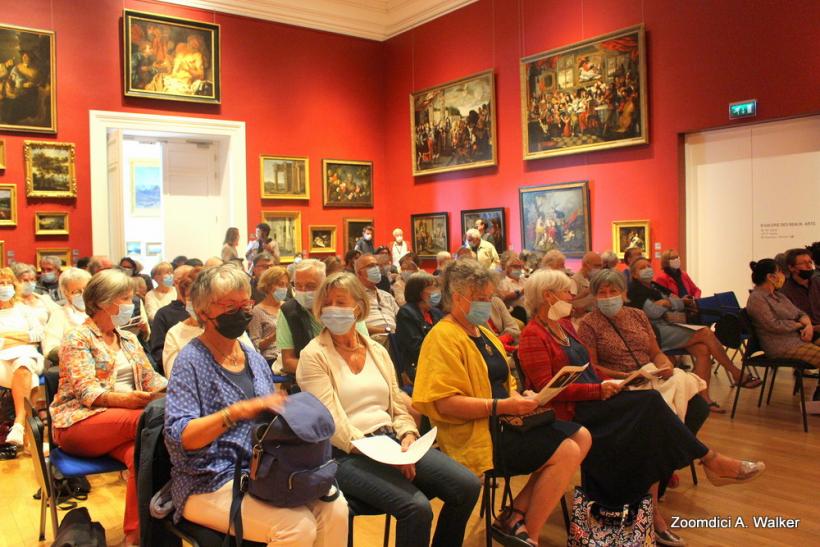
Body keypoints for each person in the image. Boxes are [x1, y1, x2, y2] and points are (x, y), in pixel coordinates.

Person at [518, 269, 767, 546]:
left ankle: (662, 507)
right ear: (548, 296)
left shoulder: (563, 326)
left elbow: (588, 369)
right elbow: (548, 390)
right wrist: (602, 387)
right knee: (650, 406)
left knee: (655, 416)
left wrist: (616, 383)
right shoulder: (533, 335)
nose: (573, 297)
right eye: (567, 292)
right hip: (576, 409)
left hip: (596, 397)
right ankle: (710, 460)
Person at [164, 265, 348, 546]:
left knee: (336, 509)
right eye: (230, 306)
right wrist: (237, 412)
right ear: (203, 313)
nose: (241, 312)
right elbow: (182, 437)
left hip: (263, 470)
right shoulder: (190, 362)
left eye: (245, 304)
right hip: (208, 480)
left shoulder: (253, 359)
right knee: (296, 528)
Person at [413, 260, 590, 546]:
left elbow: (504, 383)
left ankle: (514, 514)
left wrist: (521, 397)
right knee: (567, 451)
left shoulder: (482, 332)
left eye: (488, 298)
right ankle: (527, 533)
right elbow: (444, 404)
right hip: (476, 432)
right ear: (458, 298)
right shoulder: (443, 337)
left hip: (505, 421)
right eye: (481, 299)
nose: (487, 304)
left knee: (581, 436)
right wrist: (501, 406)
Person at [297, 271, 480, 547]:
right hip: (344, 453)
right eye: (327, 303)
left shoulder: (376, 351)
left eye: (341, 302)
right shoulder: (314, 355)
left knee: (467, 486)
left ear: (358, 307)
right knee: (416, 508)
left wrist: (407, 435)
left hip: (392, 443)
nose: (332, 309)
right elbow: (331, 422)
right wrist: (386, 454)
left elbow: (397, 403)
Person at [50, 269, 167, 545]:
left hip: (127, 422)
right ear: (103, 302)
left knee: (143, 455)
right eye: (125, 298)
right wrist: (132, 400)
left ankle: (135, 537)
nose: (131, 305)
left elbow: (154, 380)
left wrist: (180, 389)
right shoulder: (77, 338)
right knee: (149, 422)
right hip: (79, 422)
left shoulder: (128, 339)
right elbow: (87, 392)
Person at [627, 258, 759, 410]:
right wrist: (670, 304)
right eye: (642, 268)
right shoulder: (635, 290)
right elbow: (654, 313)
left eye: (649, 266)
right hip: (654, 332)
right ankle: (736, 373)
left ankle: (703, 399)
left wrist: (667, 304)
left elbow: (679, 302)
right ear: (635, 275)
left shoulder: (655, 286)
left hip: (669, 325)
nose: (647, 269)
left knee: (703, 350)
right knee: (705, 332)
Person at [276, 259, 369, 374]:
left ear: (324, 284)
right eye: (298, 285)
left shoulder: (343, 306)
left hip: (353, 370)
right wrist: (325, 370)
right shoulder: (288, 311)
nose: (303, 291)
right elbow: (288, 361)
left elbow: (364, 348)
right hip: (313, 375)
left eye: (310, 286)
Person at [746, 259, 819, 401]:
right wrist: (799, 325)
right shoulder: (757, 299)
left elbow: (800, 314)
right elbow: (773, 325)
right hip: (780, 346)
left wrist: (808, 325)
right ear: (770, 277)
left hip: (796, 341)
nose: (782, 275)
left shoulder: (779, 296)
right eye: (779, 272)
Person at [0, 268, 46, 447]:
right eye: (0, 283)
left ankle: (18, 423)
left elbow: (38, 335)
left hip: (28, 355)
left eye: (8, 283)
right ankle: (26, 434)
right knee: (30, 377)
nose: (4, 287)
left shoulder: (24, 310)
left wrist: (7, 336)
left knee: (24, 363)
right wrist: (22, 336)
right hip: (2, 360)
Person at [395, 272, 443, 381]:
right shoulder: (406, 313)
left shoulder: (436, 312)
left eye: (437, 286)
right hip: (419, 365)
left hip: (439, 361)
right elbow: (417, 349)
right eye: (432, 287)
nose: (436, 291)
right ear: (418, 292)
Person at [149, 265, 194, 371]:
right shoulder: (163, 314)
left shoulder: (208, 312)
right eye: (185, 282)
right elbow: (158, 352)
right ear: (176, 283)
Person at [42, 267, 92, 361]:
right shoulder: (59, 316)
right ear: (66, 293)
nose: (83, 294)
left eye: (86, 289)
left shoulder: (101, 310)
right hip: (77, 364)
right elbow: (50, 349)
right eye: (76, 292)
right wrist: (76, 351)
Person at [248, 266, 289, 365]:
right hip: (271, 359)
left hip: (289, 355)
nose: (284, 289)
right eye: (280, 284)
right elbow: (255, 346)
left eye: (286, 285)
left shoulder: (288, 307)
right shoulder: (257, 311)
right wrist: (273, 337)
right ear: (268, 286)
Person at [354, 254, 399, 342]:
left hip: (396, 338)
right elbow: (353, 325)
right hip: (372, 338)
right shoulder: (354, 296)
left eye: (376, 265)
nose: (376, 268)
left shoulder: (387, 296)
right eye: (371, 266)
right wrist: (385, 331)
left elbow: (400, 318)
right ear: (359, 273)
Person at [779, 248, 819, 327]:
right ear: (791, 268)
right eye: (803, 263)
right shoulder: (784, 291)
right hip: (806, 331)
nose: (809, 266)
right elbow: (789, 320)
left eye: (810, 262)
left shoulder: (817, 282)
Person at [11, 262, 58, 328]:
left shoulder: (45, 299)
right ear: (15, 282)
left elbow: (59, 317)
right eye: (25, 280)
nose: (30, 283)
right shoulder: (11, 303)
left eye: (32, 280)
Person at [570, 251, 602, 318]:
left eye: (600, 266)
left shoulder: (592, 279)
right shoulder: (574, 281)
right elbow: (571, 303)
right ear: (585, 265)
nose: (599, 269)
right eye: (596, 266)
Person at [498, 255, 527, 322]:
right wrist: (522, 292)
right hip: (516, 316)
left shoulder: (525, 280)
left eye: (520, 267)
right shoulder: (503, 283)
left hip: (530, 313)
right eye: (515, 266)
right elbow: (505, 297)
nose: (518, 269)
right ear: (507, 268)